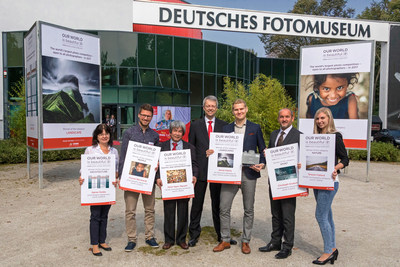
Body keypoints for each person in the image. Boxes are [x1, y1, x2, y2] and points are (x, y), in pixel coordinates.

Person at [213, 99, 266, 254]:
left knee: (248, 208)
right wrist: (212, 152)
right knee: (224, 207)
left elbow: (262, 150)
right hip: (230, 174)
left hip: (249, 173)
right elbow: (220, 149)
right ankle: (225, 240)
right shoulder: (226, 128)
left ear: (246, 109)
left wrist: (262, 163)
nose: (239, 112)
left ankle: (246, 241)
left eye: (241, 109)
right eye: (236, 110)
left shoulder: (255, 128)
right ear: (232, 111)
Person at [187, 95, 237, 247]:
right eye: (207, 106)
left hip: (218, 171)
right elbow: (191, 148)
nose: (210, 108)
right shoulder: (195, 125)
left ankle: (222, 235)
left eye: (213, 106)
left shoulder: (225, 126)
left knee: (218, 204)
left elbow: (229, 148)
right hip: (200, 170)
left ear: (216, 108)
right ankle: (194, 234)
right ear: (203, 108)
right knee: (197, 204)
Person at [305, 107, 349, 265]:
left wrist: (336, 168)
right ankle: (332, 248)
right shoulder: (314, 138)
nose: (320, 121)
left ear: (329, 119)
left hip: (329, 182)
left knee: (320, 216)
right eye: (317, 119)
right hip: (317, 182)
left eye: (323, 118)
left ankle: (328, 251)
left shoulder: (335, 136)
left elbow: (345, 159)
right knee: (327, 216)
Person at [258, 108, 301, 259]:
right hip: (274, 181)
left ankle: (287, 246)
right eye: (281, 117)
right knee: (275, 213)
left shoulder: (299, 136)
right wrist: (267, 154)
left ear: (292, 118)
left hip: (289, 181)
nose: (284, 119)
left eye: (287, 117)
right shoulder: (274, 134)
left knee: (287, 215)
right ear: (278, 119)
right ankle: (275, 241)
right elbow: (272, 154)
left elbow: (303, 158)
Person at [119, 103, 160, 251]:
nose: (145, 118)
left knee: (150, 209)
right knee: (130, 210)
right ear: (138, 115)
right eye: (143, 115)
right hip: (131, 178)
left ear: (151, 117)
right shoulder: (129, 133)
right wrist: (121, 177)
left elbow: (156, 158)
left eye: (148, 116)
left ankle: (149, 236)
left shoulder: (154, 136)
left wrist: (157, 167)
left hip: (148, 179)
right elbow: (123, 156)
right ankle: (131, 239)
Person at [156, 120, 198, 250]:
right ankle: (169, 240)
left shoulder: (190, 147)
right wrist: (157, 178)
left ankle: (181, 239)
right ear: (170, 132)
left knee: (183, 212)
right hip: (168, 186)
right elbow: (156, 165)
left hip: (183, 185)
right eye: (175, 130)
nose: (177, 133)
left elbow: (195, 164)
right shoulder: (161, 146)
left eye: (180, 131)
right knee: (168, 212)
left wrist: (194, 175)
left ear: (183, 133)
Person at [79, 123, 119, 256]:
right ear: (96, 136)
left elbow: (116, 170)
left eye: (106, 133)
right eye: (101, 134)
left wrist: (116, 177)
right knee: (95, 216)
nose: (104, 136)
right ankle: (95, 244)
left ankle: (102, 240)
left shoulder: (114, 151)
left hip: (108, 189)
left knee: (105, 215)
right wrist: (81, 178)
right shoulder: (90, 150)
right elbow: (83, 170)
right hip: (94, 188)